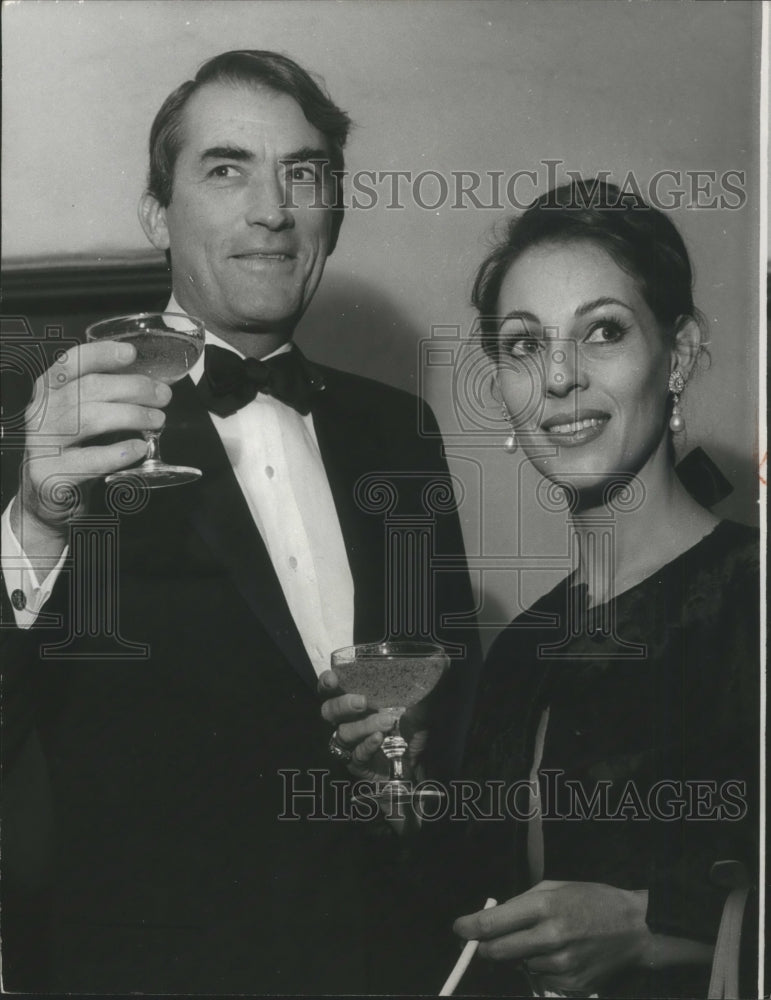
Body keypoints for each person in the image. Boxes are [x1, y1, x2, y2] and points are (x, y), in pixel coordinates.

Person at [0, 50, 480, 995]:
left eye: (301, 172)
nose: (273, 207)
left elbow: (450, 689)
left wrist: (423, 745)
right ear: (157, 215)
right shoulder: (56, 419)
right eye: (226, 169)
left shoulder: (398, 429)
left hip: (387, 961)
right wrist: (35, 522)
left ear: (331, 212)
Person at [323, 180, 760, 997]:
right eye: (523, 345)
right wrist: (405, 783)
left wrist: (656, 925)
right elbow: (476, 909)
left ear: (682, 351)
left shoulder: (754, 600)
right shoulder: (523, 645)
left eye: (602, 331)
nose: (558, 378)